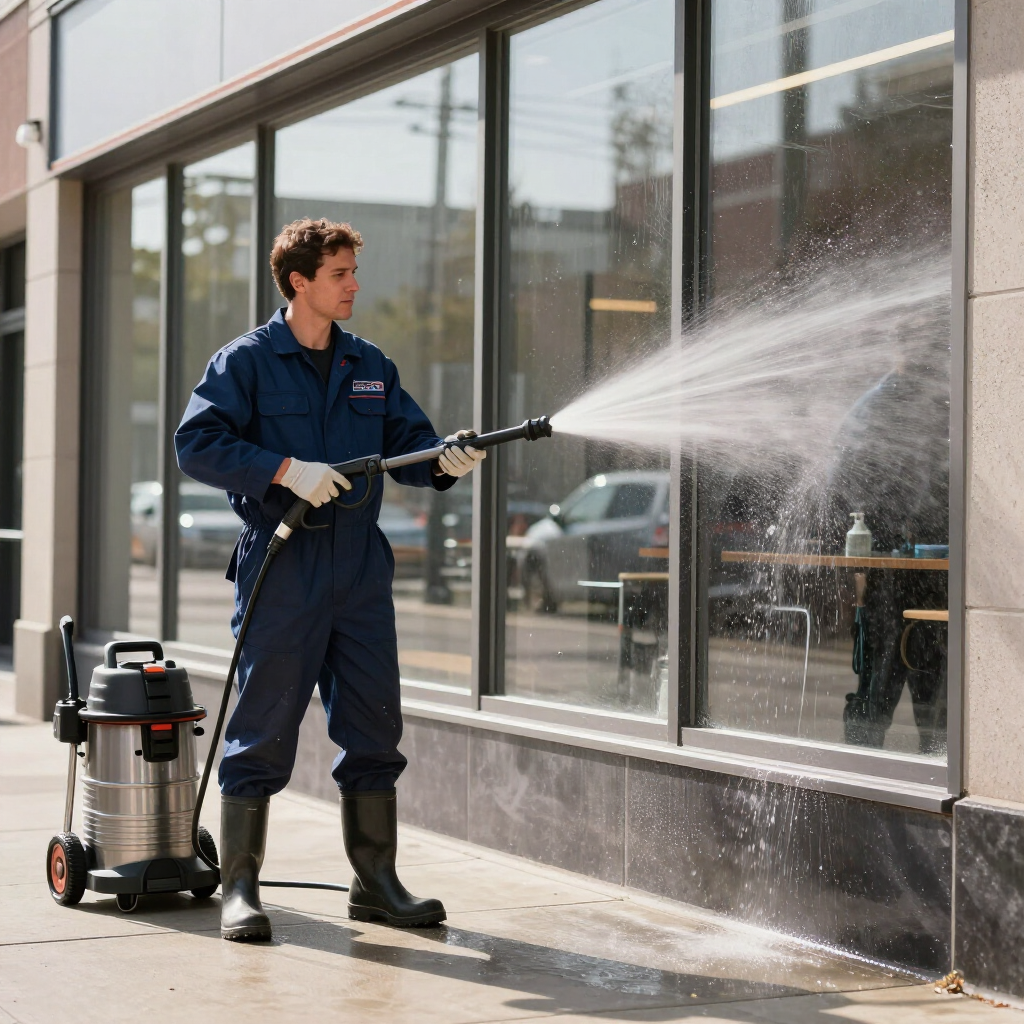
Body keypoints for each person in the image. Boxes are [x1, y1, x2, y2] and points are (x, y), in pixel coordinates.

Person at [175, 217, 484, 941]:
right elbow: (198, 443)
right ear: (299, 282)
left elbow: (410, 446)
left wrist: (448, 459)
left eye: (353, 272)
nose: (354, 285)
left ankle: (375, 881)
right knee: (262, 728)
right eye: (340, 273)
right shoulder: (246, 362)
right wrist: (283, 470)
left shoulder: (368, 363)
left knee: (374, 723)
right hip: (283, 565)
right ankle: (240, 888)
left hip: (360, 570)